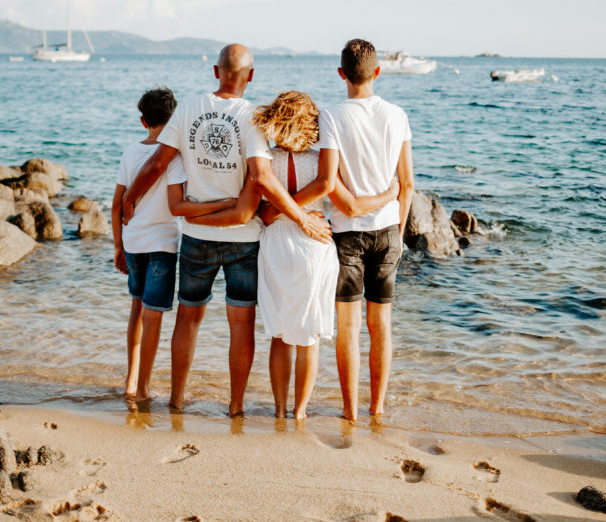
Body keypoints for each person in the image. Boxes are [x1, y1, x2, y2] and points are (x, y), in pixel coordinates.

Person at [120, 44, 331, 416]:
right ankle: (235, 405)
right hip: (243, 239)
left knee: (188, 318)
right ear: (250, 76)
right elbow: (263, 177)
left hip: (198, 237)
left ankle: (177, 397)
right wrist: (301, 218)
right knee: (241, 323)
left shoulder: (187, 108)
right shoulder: (251, 117)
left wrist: (130, 199)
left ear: (217, 71)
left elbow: (157, 164)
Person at [250, 91, 399, 419]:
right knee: (308, 338)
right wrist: (391, 193)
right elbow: (342, 197)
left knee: (279, 336)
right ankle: (301, 411)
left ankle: (278, 410)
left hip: (275, 245)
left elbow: (261, 214)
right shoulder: (321, 161)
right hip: (314, 243)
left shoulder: (265, 159)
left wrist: (283, 208)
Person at [112, 87, 235, 401]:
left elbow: (116, 204)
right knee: (153, 316)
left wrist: (117, 246)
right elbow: (177, 201)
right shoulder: (176, 157)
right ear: (175, 119)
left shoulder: (129, 152)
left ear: (143, 121)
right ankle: (143, 389)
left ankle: (130, 380)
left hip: (134, 242)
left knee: (136, 309)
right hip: (162, 245)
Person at [321, 38, 415, 422]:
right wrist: (400, 236)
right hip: (388, 230)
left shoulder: (331, 116)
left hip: (347, 234)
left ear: (342, 73)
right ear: (377, 72)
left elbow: (329, 183)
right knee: (382, 326)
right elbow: (407, 185)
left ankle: (350, 411)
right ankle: (377, 408)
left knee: (348, 328)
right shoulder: (397, 115)